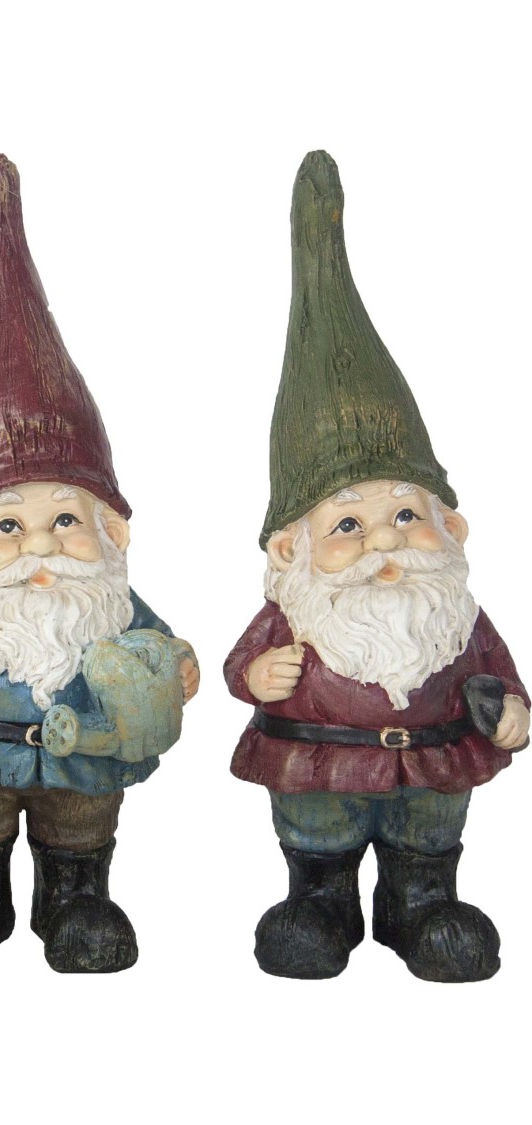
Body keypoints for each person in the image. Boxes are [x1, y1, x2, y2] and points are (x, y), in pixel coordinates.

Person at [0, 152, 198, 976]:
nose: (41, 544)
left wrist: (179, 660)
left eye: (65, 518)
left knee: (79, 833)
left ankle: (76, 899)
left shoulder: (108, 603)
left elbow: (152, 639)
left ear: (112, 533)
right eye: (7, 525)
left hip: (83, 759)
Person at [226, 151, 528, 983]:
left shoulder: (455, 616)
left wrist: (513, 711)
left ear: (451, 527)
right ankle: (321, 903)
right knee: (320, 850)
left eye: (405, 515)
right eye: (347, 525)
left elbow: (499, 670)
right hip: (318, 768)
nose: (383, 541)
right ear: (290, 550)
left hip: (434, 768)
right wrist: (255, 673)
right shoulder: (298, 611)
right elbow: (240, 665)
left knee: (425, 849)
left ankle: (421, 904)